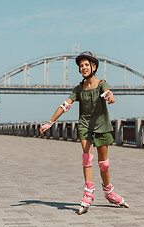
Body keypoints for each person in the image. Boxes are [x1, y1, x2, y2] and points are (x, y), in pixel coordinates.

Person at [40, 51, 129, 214]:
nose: (84, 68)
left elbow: (108, 92)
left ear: (94, 66)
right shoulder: (79, 89)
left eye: (87, 65)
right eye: (81, 66)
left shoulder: (102, 83)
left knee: (104, 164)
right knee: (87, 157)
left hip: (101, 125)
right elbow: (64, 105)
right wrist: (50, 123)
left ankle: (109, 192)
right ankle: (88, 193)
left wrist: (110, 96)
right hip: (85, 126)